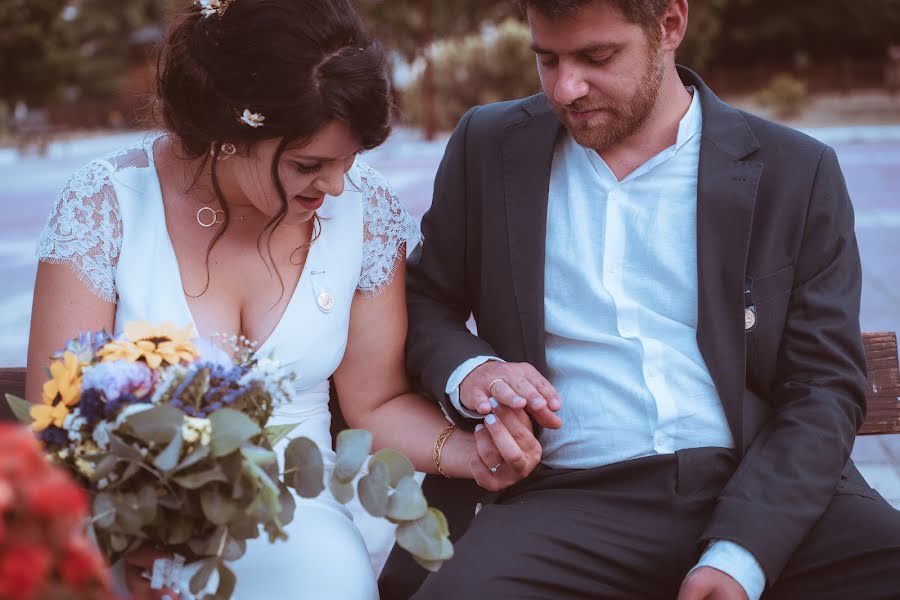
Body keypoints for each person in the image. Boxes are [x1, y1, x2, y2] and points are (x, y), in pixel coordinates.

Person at [25, 1, 544, 598]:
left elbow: (374, 406)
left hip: (301, 517)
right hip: (126, 526)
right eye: (309, 165)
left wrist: (470, 453)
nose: (335, 186)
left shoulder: (363, 212)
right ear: (232, 131)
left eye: (349, 162)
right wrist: (132, 528)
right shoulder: (106, 206)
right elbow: (58, 429)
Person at [385, 1, 900, 599]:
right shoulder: (489, 145)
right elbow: (424, 299)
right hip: (565, 500)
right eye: (546, 60)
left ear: (670, 26)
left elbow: (825, 384)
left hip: (763, 487)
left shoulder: (798, 170)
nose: (566, 87)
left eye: (596, 57)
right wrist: (475, 370)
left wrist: (741, 557)